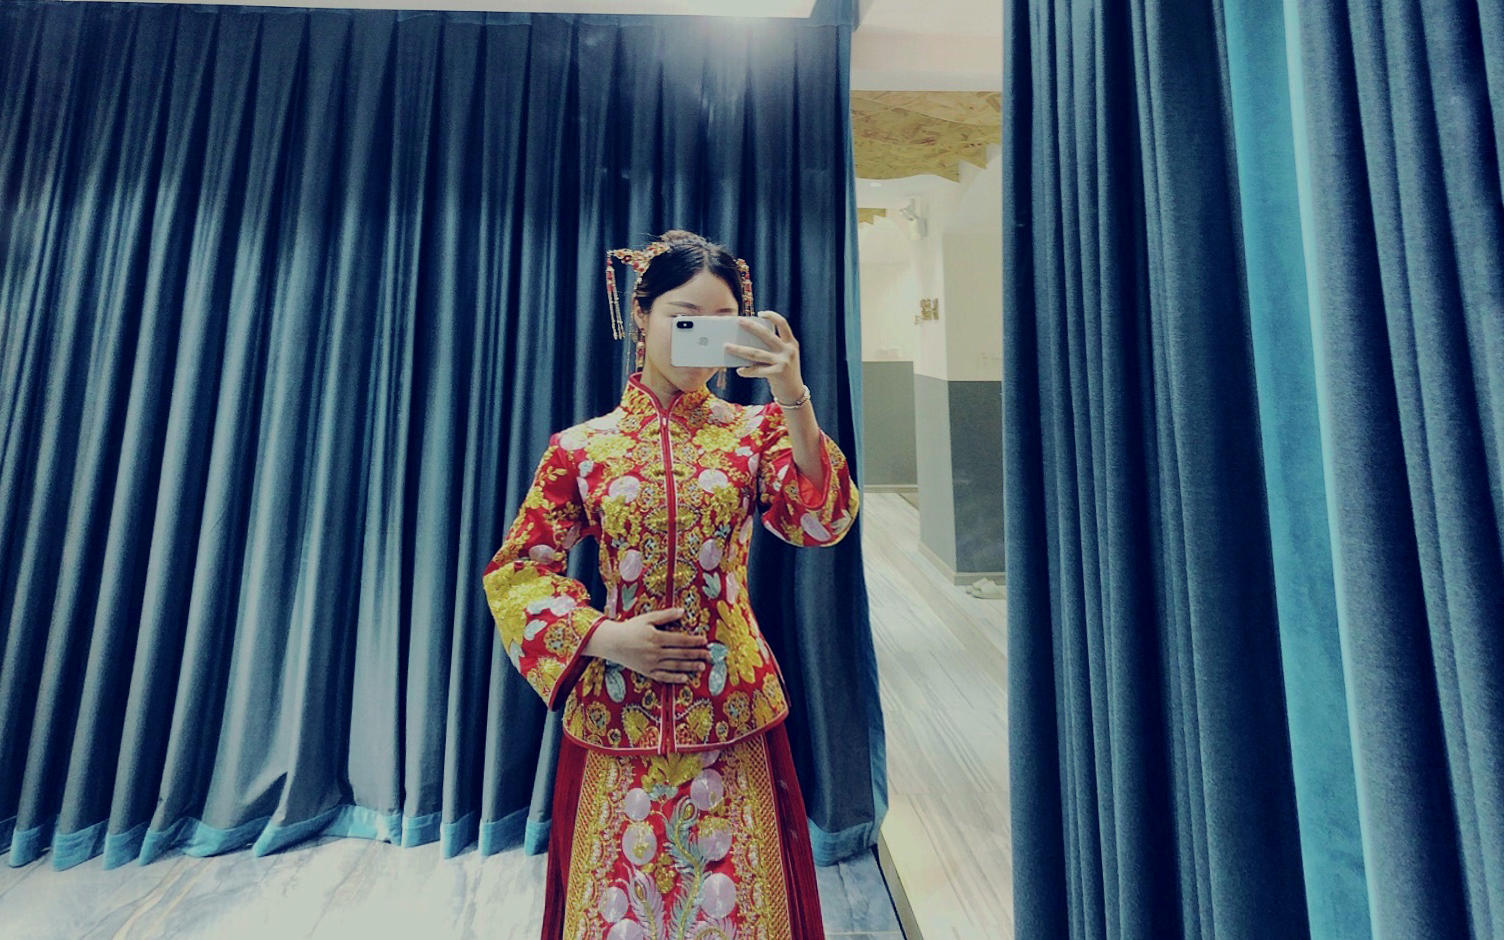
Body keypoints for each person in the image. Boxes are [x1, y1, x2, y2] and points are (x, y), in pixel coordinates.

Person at [481, 229, 860, 939]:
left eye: (722, 323)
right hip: (615, 712)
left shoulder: (756, 433)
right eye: (685, 318)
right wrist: (605, 637)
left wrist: (793, 394)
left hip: (731, 710)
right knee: (616, 910)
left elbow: (823, 520)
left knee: (738, 911)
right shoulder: (581, 449)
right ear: (642, 315)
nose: (701, 339)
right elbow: (517, 572)